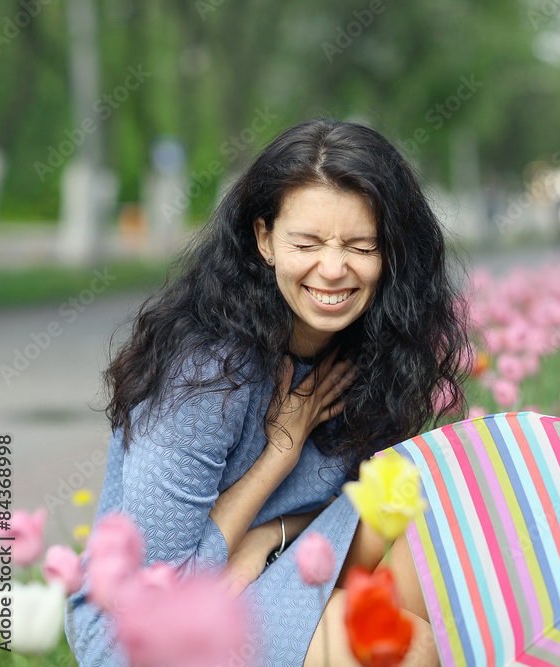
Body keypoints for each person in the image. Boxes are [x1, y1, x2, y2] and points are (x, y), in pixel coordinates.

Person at [66, 118, 469, 666]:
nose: (333, 269)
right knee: (406, 648)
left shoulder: (373, 355)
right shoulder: (207, 374)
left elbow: (359, 507)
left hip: (274, 567)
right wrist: (275, 459)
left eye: (360, 246)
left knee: (442, 538)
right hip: (152, 630)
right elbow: (162, 585)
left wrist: (268, 538)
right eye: (306, 242)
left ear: (389, 253)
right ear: (265, 240)